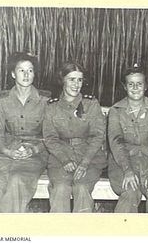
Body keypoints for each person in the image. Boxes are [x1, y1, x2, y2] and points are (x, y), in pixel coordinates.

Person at [0, 52, 50, 213]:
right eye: (21, 70)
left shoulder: (45, 101)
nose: (26, 75)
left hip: (34, 154)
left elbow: (51, 135)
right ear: (13, 74)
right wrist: (7, 151)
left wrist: (33, 149)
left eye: (30, 70)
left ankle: (6, 228)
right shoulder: (2, 100)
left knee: (17, 180)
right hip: (4, 152)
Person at [43, 62, 107, 213]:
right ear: (62, 80)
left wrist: (85, 163)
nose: (76, 84)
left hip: (89, 159)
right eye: (71, 79)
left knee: (82, 188)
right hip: (60, 159)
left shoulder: (91, 104)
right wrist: (64, 159)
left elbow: (98, 136)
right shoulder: (52, 107)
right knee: (60, 188)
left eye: (79, 80)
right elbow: (50, 138)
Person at [108, 65, 148, 213]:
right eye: (131, 84)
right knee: (129, 193)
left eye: (139, 83)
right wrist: (127, 170)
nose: (135, 88)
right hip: (122, 163)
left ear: (146, 86)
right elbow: (117, 143)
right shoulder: (116, 111)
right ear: (125, 86)